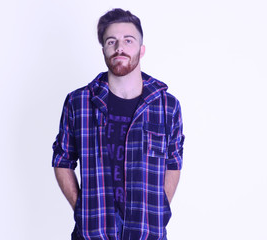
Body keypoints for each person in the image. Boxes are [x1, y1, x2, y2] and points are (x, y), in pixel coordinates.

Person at [52, 8, 185, 240]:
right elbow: (62, 160)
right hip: (93, 233)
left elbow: (173, 163)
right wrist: (82, 210)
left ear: (141, 50)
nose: (119, 47)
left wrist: (159, 211)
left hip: (147, 233)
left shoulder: (167, 105)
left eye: (128, 40)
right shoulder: (79, 102)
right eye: (111, 41)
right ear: (103, 49)